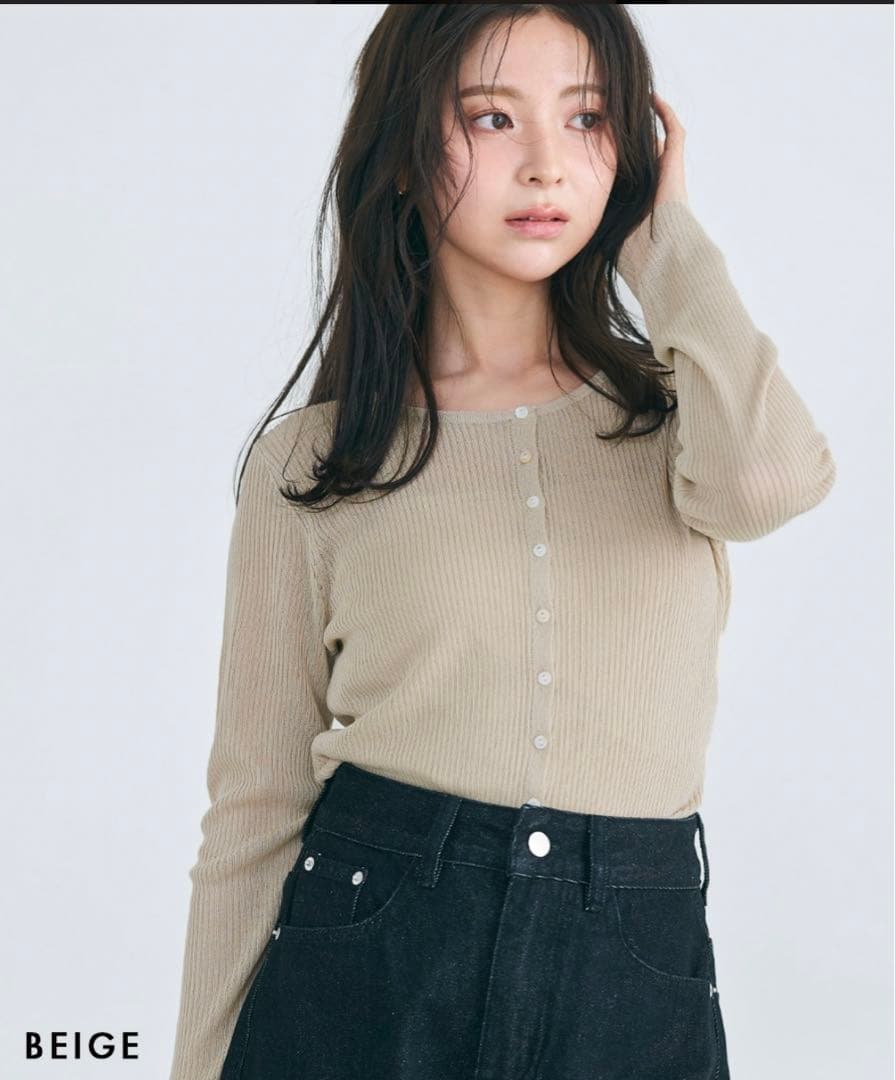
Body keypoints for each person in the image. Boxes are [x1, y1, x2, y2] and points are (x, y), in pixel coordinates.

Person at [169, 6, 837, 1079]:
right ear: (401, 150)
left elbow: (768, 485)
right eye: (491, 118)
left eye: (587, 120)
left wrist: (666, 242)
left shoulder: (681, 423)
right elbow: (254, 805)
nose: (545, 166)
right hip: (371, 951)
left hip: (632, 960)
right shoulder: (317, 460)